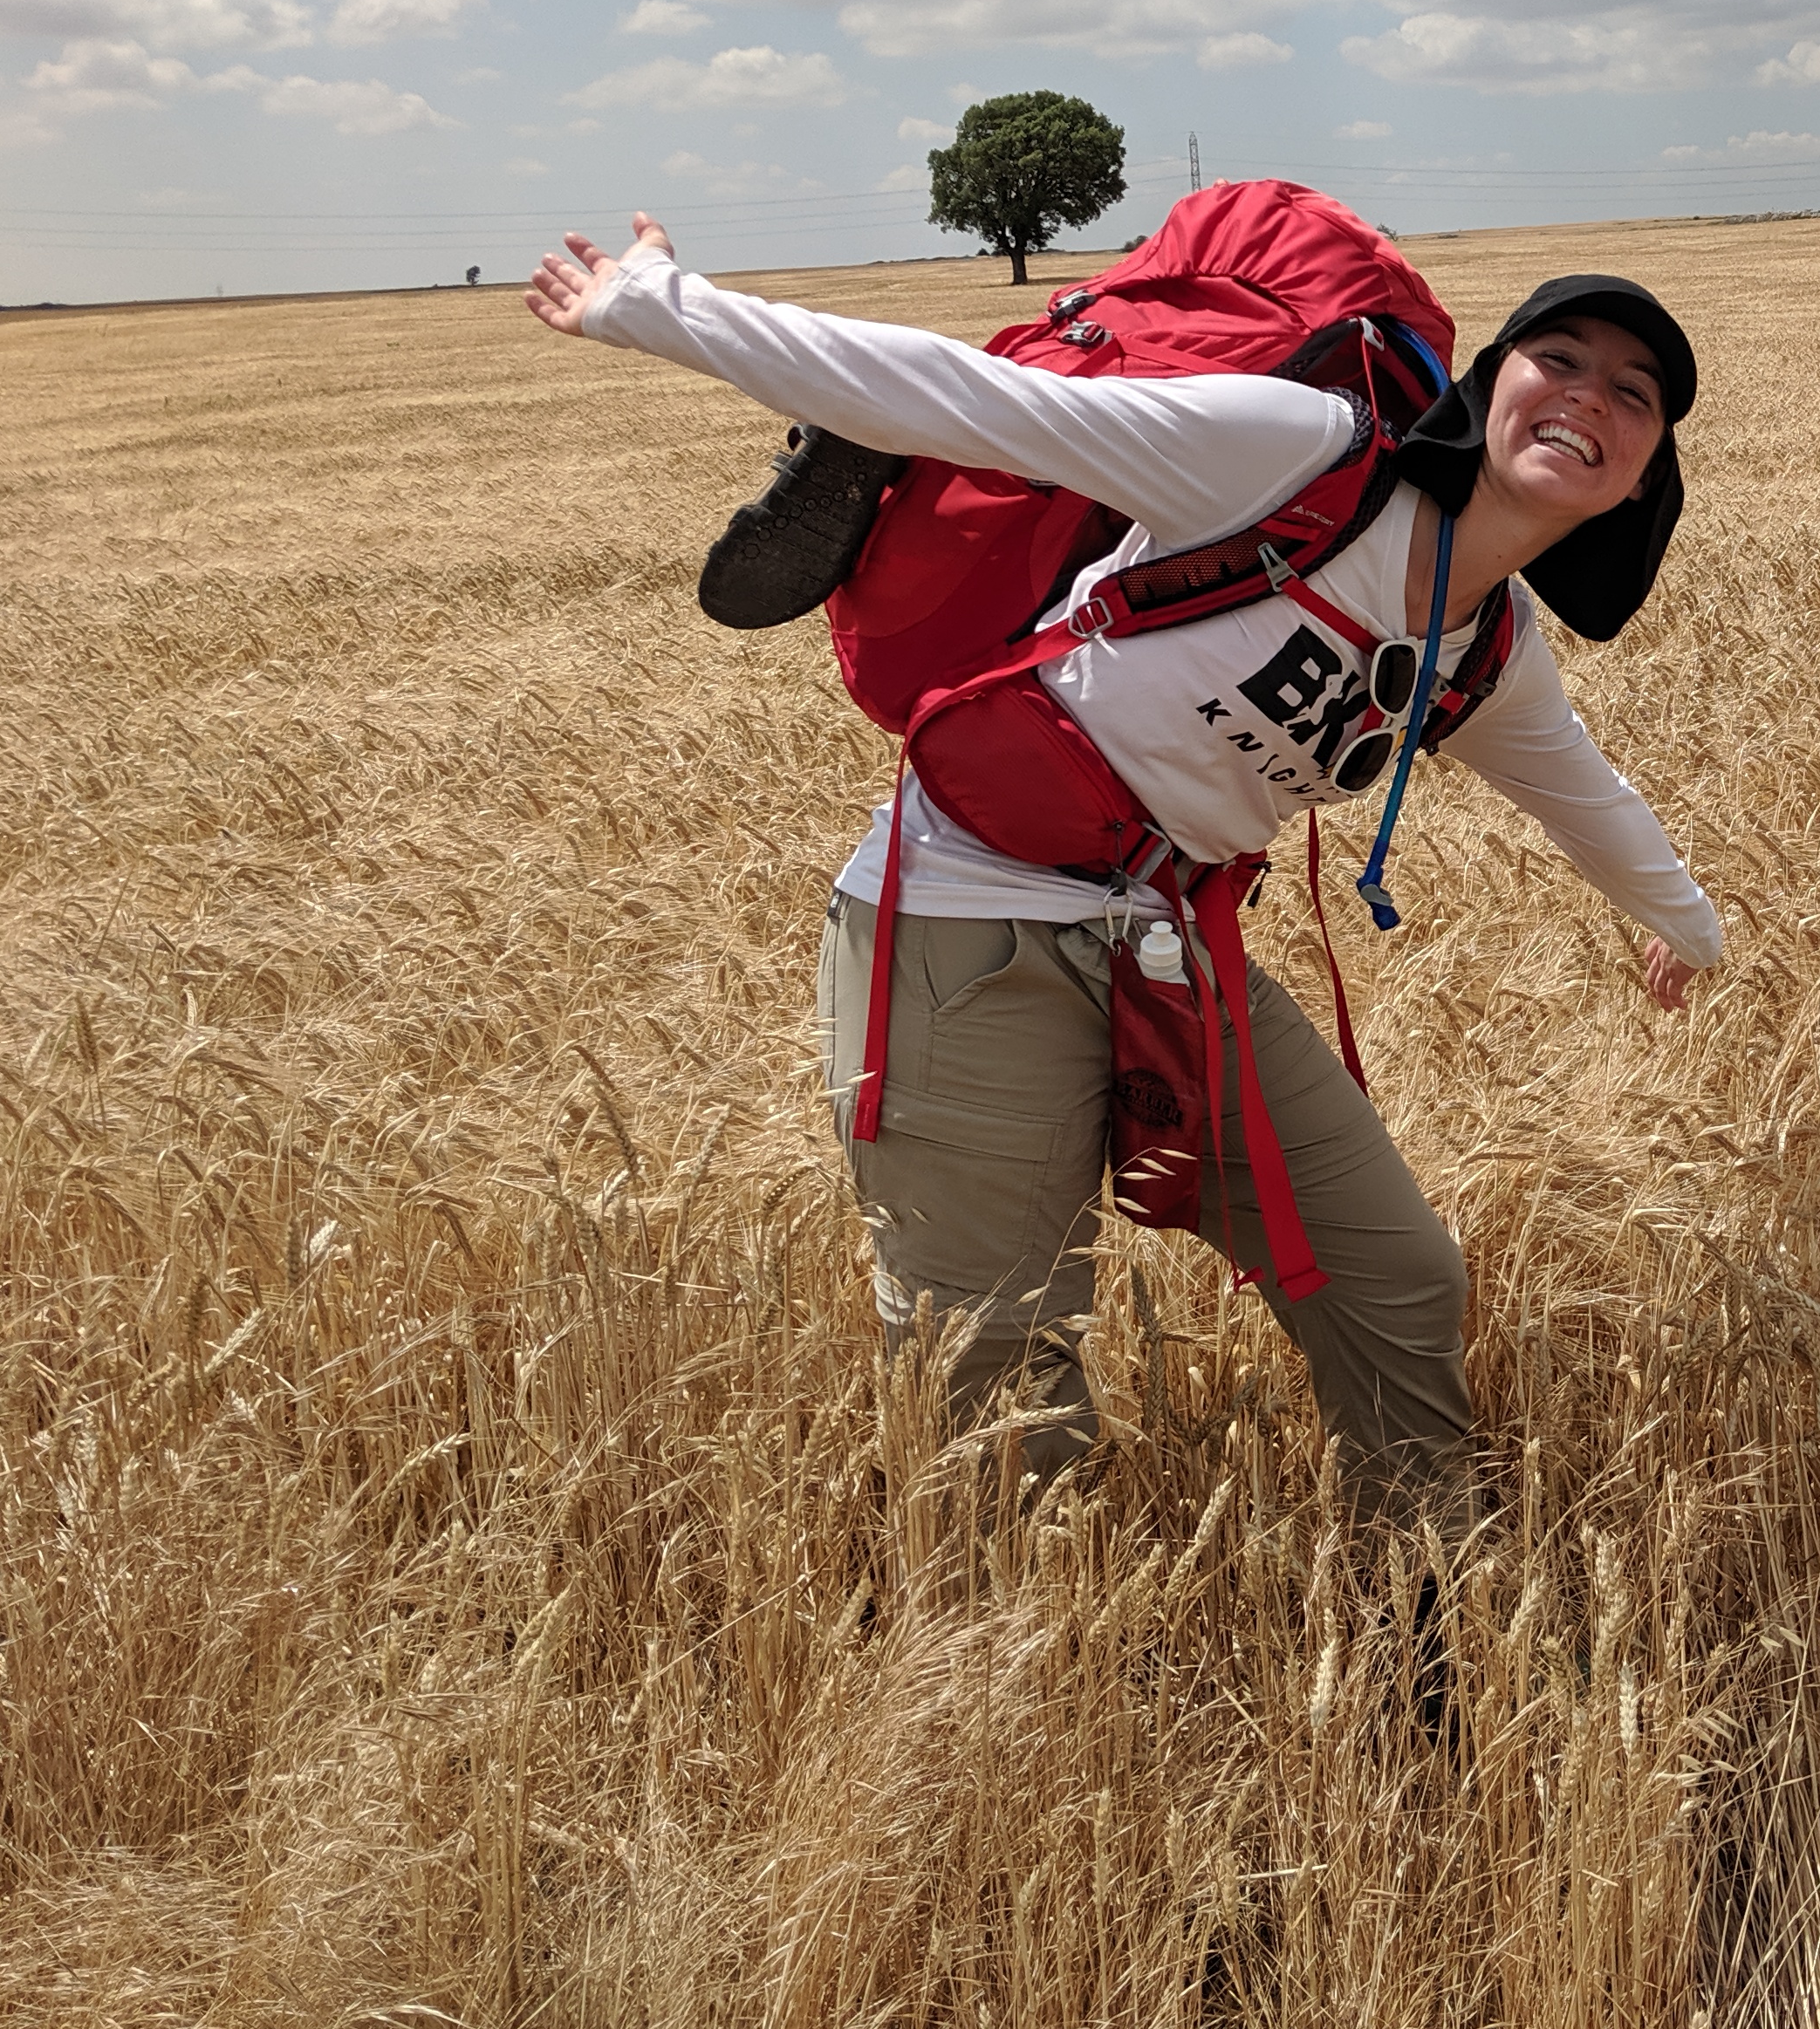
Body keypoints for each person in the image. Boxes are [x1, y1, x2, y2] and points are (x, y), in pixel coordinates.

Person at [520, 211, 1720, 1524]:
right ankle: (995, 1679)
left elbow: (1587, 800)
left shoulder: (1487, 645)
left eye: (1634, 393)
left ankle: (1426, 1620)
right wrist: (652, 304)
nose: (1590, 397)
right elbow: (965, 400)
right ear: (1489, 389)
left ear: (1643, 474)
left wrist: (1690, 932)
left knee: (1398, 1280)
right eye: (1560, 359)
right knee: (998, 1373)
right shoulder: (1297, 454)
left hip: (1171, 949)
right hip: (963, 923)